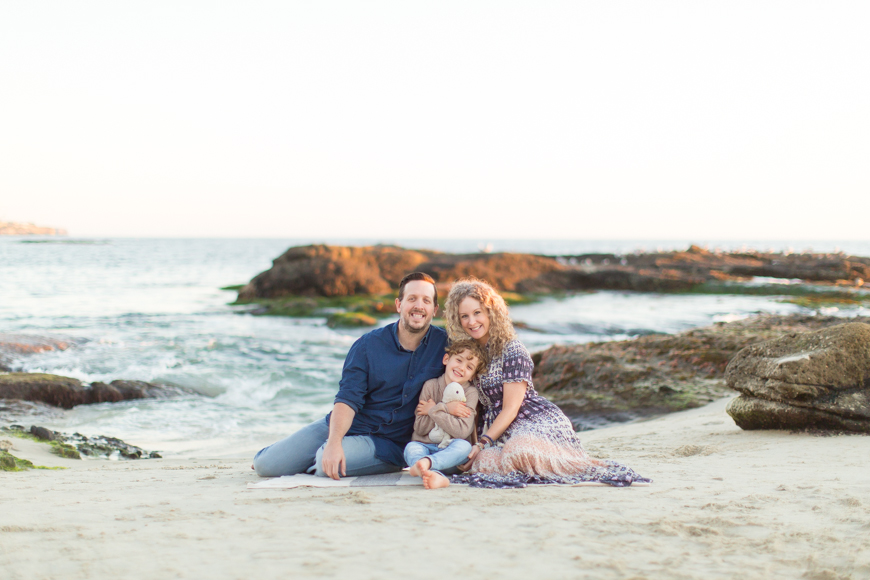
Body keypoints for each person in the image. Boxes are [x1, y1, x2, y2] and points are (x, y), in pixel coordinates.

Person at [425, 277, 650, 489]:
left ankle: (553, 456)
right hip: (498, 433)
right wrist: (474, 445)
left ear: (491, 312)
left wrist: (482, 443)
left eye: (477, 313)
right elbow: (476, 408)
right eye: (464, 316)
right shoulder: (471, 355)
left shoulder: (512, 350)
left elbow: (511, 409)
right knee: (480, 462)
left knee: (518, 450)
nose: (471, 322)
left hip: (534, 422)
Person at [252, 272, 448, 479]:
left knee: (325, 464)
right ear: (399, 305)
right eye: (412, 299)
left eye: (426, 300)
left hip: (387, 444)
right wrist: (335, 442)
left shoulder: (444, 346)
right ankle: (298, 454)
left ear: (434, 310)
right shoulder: (367, 345)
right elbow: (348, 398)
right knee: (267, 466)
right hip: (348, 423)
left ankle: (328, 457)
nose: (419, 306)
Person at [404, 339, 485, 489]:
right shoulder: (431, 385)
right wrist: (446, 408)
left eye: (469, 367)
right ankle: (435, 475)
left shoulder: (470, 393)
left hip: (451, 456)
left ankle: (426, 465)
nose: (461, 368)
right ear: (446, 359)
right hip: (425, 446)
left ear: (473, 375)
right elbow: (420, 428)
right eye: (458, 360)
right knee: (411, 448)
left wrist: (433, 410)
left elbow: (461, 431)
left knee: (464, 447)